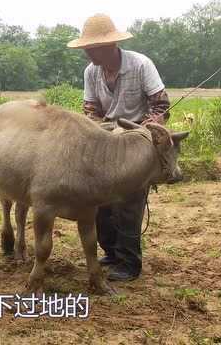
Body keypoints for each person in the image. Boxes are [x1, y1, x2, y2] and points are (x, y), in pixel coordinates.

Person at [67, 14, 171, 282]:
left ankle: (129, 263)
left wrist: (146, 126)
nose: (88, 53)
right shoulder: (91, 72)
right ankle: (111, 253)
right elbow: (91, 109)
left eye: (92, 48)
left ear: (110, 45)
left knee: (129, 205)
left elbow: (161, 105)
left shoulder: (140, 64)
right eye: (86, 48)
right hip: (107, 142)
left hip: (137, 141)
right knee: (100, 201)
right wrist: (95, 127)